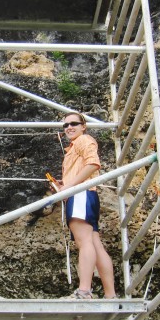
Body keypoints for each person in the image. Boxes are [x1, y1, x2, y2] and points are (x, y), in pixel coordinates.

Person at [57, 111, 116, 299]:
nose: (69, 127)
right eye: (65, 125)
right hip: (86, 195)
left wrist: (69, 187)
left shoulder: (83, 140)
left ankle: (84, 291)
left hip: (81, 193)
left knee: (85, 243)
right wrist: (63, 186)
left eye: (74, 123)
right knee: (95, 244)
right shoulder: (73, 148)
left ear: (84, 126)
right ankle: (110, 295)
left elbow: (93, 164)